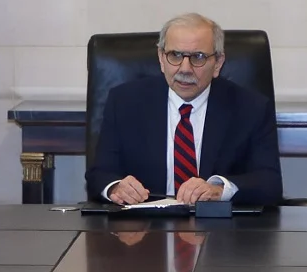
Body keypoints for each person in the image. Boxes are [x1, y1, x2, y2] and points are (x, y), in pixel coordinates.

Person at [83, 13, 283, 207]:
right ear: (161, 58)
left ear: (218, 63)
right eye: (175, 55)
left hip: (218, 227)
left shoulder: (250, 108)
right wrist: (116, 187)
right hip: (145, 224)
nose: (185, 68)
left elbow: (269, 183)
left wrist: (220, 190)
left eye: (198, 57)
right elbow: (99, 174)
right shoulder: (125, 102)